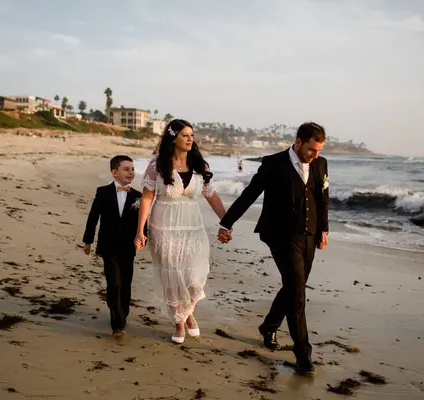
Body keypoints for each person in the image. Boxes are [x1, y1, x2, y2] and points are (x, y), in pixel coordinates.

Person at [217, 122, 329, 376]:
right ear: (298, 142)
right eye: (312, 150)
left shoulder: (321, 164)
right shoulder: (273, 164)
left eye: (319, 150)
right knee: (298, 294)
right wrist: (226, 222)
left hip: (309, 234)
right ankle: (303, 355)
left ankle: (269, 326)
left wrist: (324, 230)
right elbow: (250, 193)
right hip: (281, 235)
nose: (316, 155)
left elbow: (323, 198)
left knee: (294, 286)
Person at [135, 119, 229, 344]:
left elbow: (211, 195)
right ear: (173, 137)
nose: (190, 139)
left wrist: (226, 222)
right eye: (185, 135)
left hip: (192, 226)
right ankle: (180, 322)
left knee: (195, 275)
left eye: (191, 135)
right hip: (164, 225)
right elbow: (147, 197)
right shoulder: (157, 164)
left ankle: (187, 312)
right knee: (172, 277)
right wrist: (140, 230)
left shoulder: (199, 164)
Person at [82, 155, 144, 338]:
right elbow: (93, 218)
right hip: (108, 246)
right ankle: (117, 323)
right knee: (114, 284)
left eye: (132, 169)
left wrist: (143, 238)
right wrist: (88, 241)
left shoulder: (138, 196)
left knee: (126, 283)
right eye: (126, 169)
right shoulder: (102, 192)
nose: (131, 173)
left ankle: (123, 312)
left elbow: (143, 222)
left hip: (128, 246)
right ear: (114, 172)